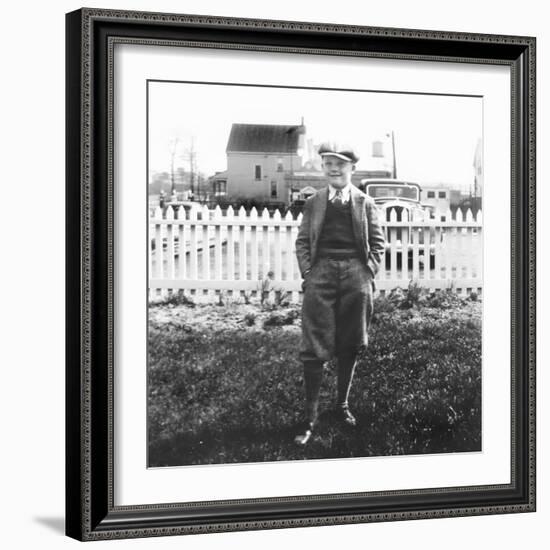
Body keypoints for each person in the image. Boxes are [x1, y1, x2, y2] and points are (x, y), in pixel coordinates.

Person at [294, 142, 386, 445]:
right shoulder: (314, 202)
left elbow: (378, 243)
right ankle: (310, 417)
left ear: (352, 169)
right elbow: (303, 241)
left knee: (351, 343)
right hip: (320, 275)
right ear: (323, 168)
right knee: (313, 347)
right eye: (328, 164)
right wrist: (308, 272)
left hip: (355, 277)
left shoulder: (365, 203)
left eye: (340, 165)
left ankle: (342, 405)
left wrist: (367, 272)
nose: (334, 170)